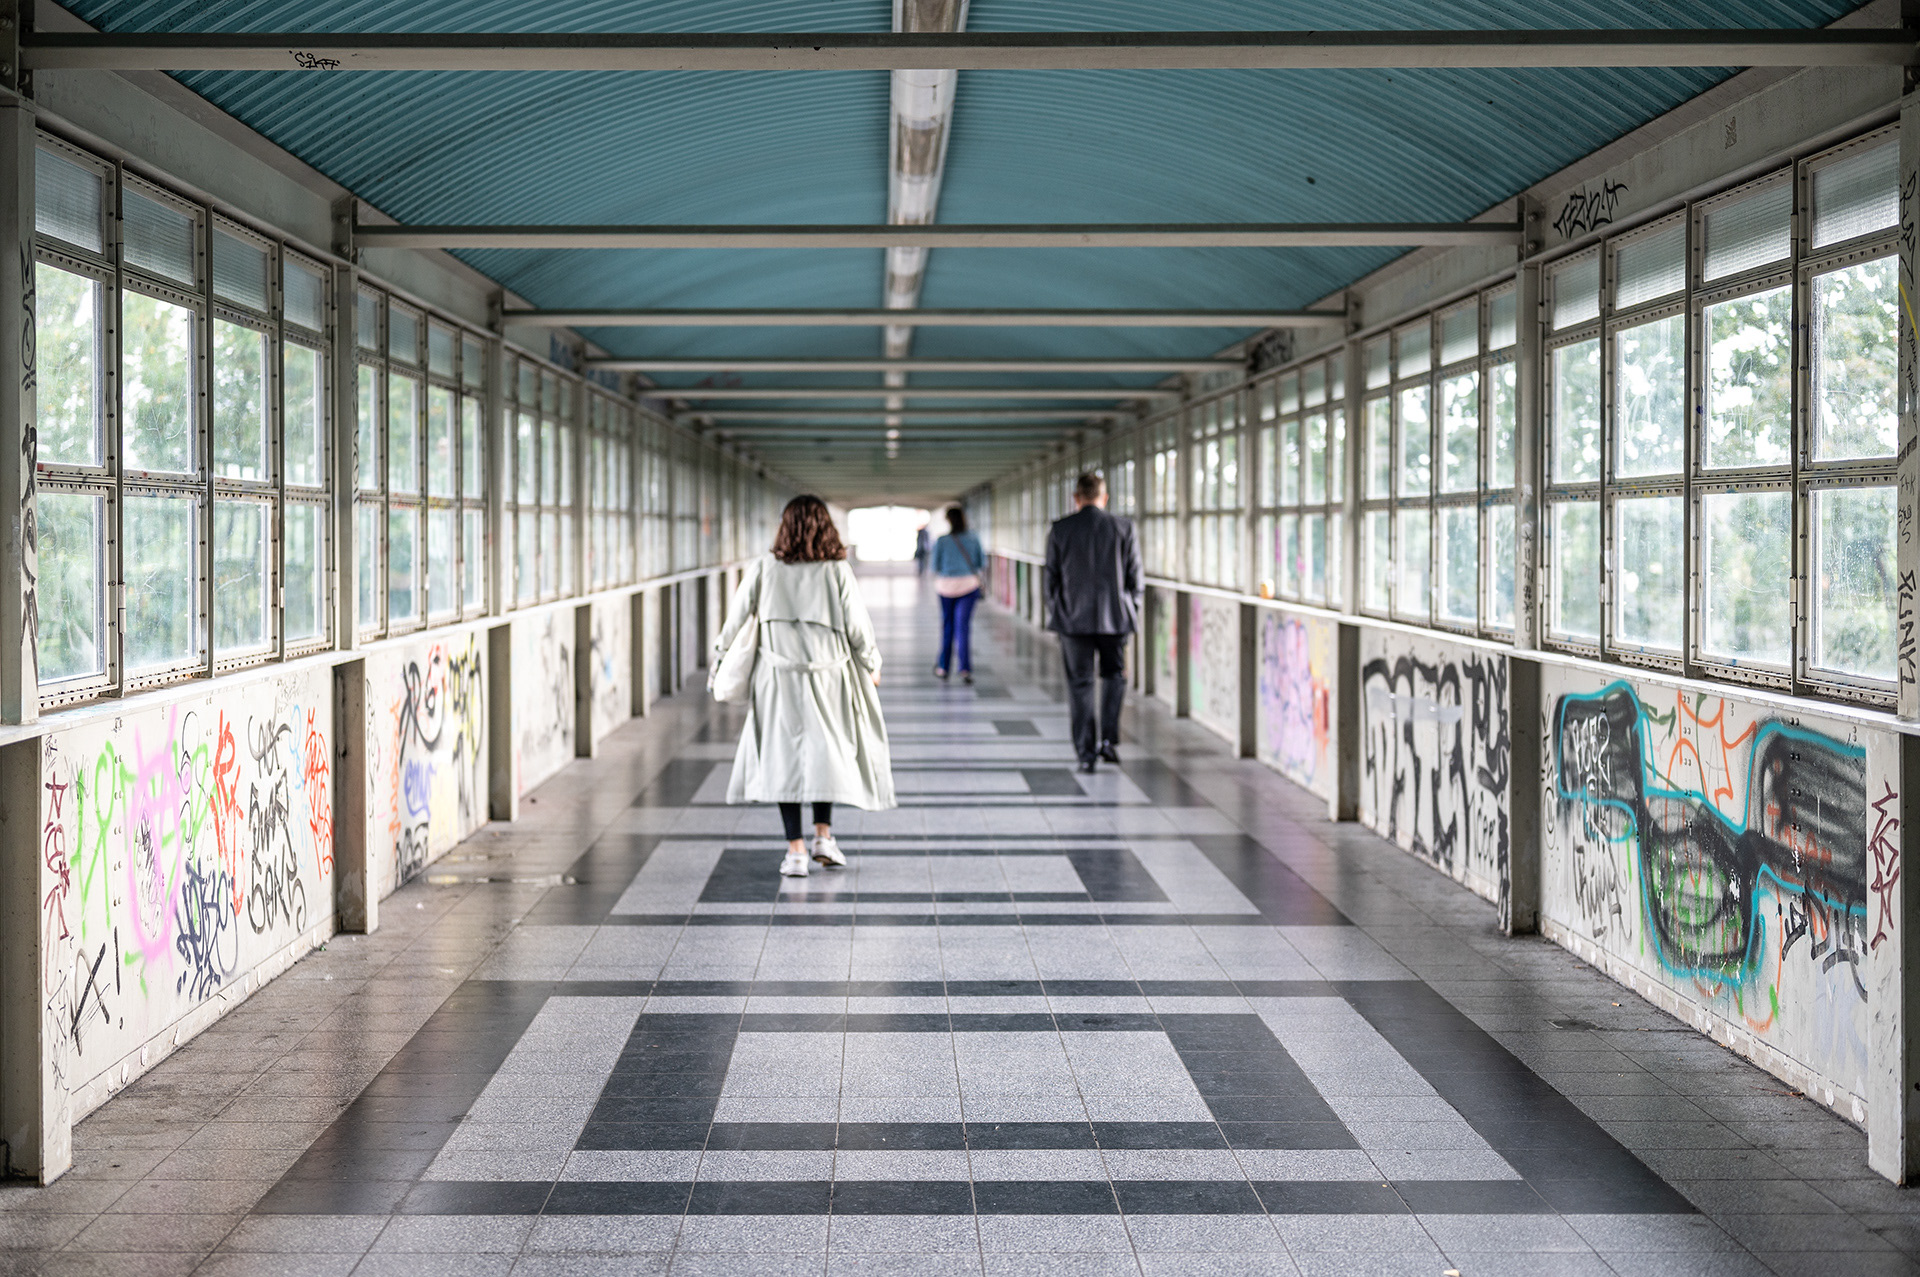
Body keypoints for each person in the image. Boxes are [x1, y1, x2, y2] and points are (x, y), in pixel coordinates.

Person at [714, 495, 895, 877]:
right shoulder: (837, 571)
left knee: (784, 759)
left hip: (776, 678)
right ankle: (823, 836)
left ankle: (795, 851)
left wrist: (719, 658)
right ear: (826, 526)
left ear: (785, 526)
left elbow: (734, 620)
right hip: (829, 677)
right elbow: (859, 629)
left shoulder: (765, 568)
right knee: (826, 752)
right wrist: (873, 664)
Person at [1043, 471, 1143, 773]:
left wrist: (1059, 610)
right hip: (1115, 620)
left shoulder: (1061, 530)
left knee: (1081, 685)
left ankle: (1086, 754)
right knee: (1114, 677)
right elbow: (1135, 577)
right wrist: (1130, 608)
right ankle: (1109, 741)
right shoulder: (1123, 528)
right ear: (1104, 497)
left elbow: (1051, 579)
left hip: (1073, 621)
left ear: (1077, 498)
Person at [930, 505, 985, 683]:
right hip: (968, 586)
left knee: (947, 625)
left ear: (948, 520)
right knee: (963, 627)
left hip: (946, 587)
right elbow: (979, 562)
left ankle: (943, 667)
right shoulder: (974, 538)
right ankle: (965, 669)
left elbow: (934, 566)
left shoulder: (942, 541)